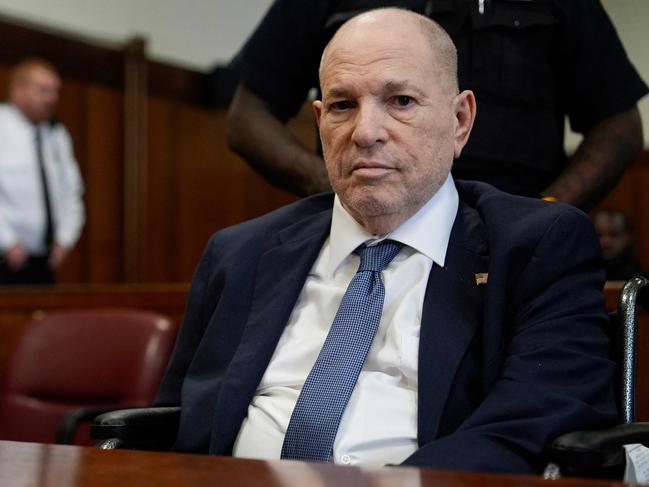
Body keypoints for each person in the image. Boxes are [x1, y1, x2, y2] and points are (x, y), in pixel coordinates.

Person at [157, 9, 616, 473]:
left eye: (400, 101)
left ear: (460, 120)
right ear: (319, 122)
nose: (365, 132)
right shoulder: (239, 254)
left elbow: (531, 424)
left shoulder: (535, 249)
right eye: (341, 106)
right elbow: (171, 426)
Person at [227, 0, 647, 210]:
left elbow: (619, 127)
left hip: (511, 228)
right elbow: (247, 118)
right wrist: (338, 186)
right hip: (367, 228)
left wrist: (544, 214)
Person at [0, 58, 85, 285]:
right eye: (43, 90)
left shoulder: (56, 134)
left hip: (44, 262)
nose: (51, 99)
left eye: (55, 91)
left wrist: (64, 239)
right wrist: (6, 241)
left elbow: (72, 192)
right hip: (5, 257)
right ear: (18, 88)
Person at [593, 208, 649, 281]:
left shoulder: (640, 278)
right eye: (599, 234)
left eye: (614, 234)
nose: (606, 241)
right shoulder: (582, 274)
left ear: (628, 237)